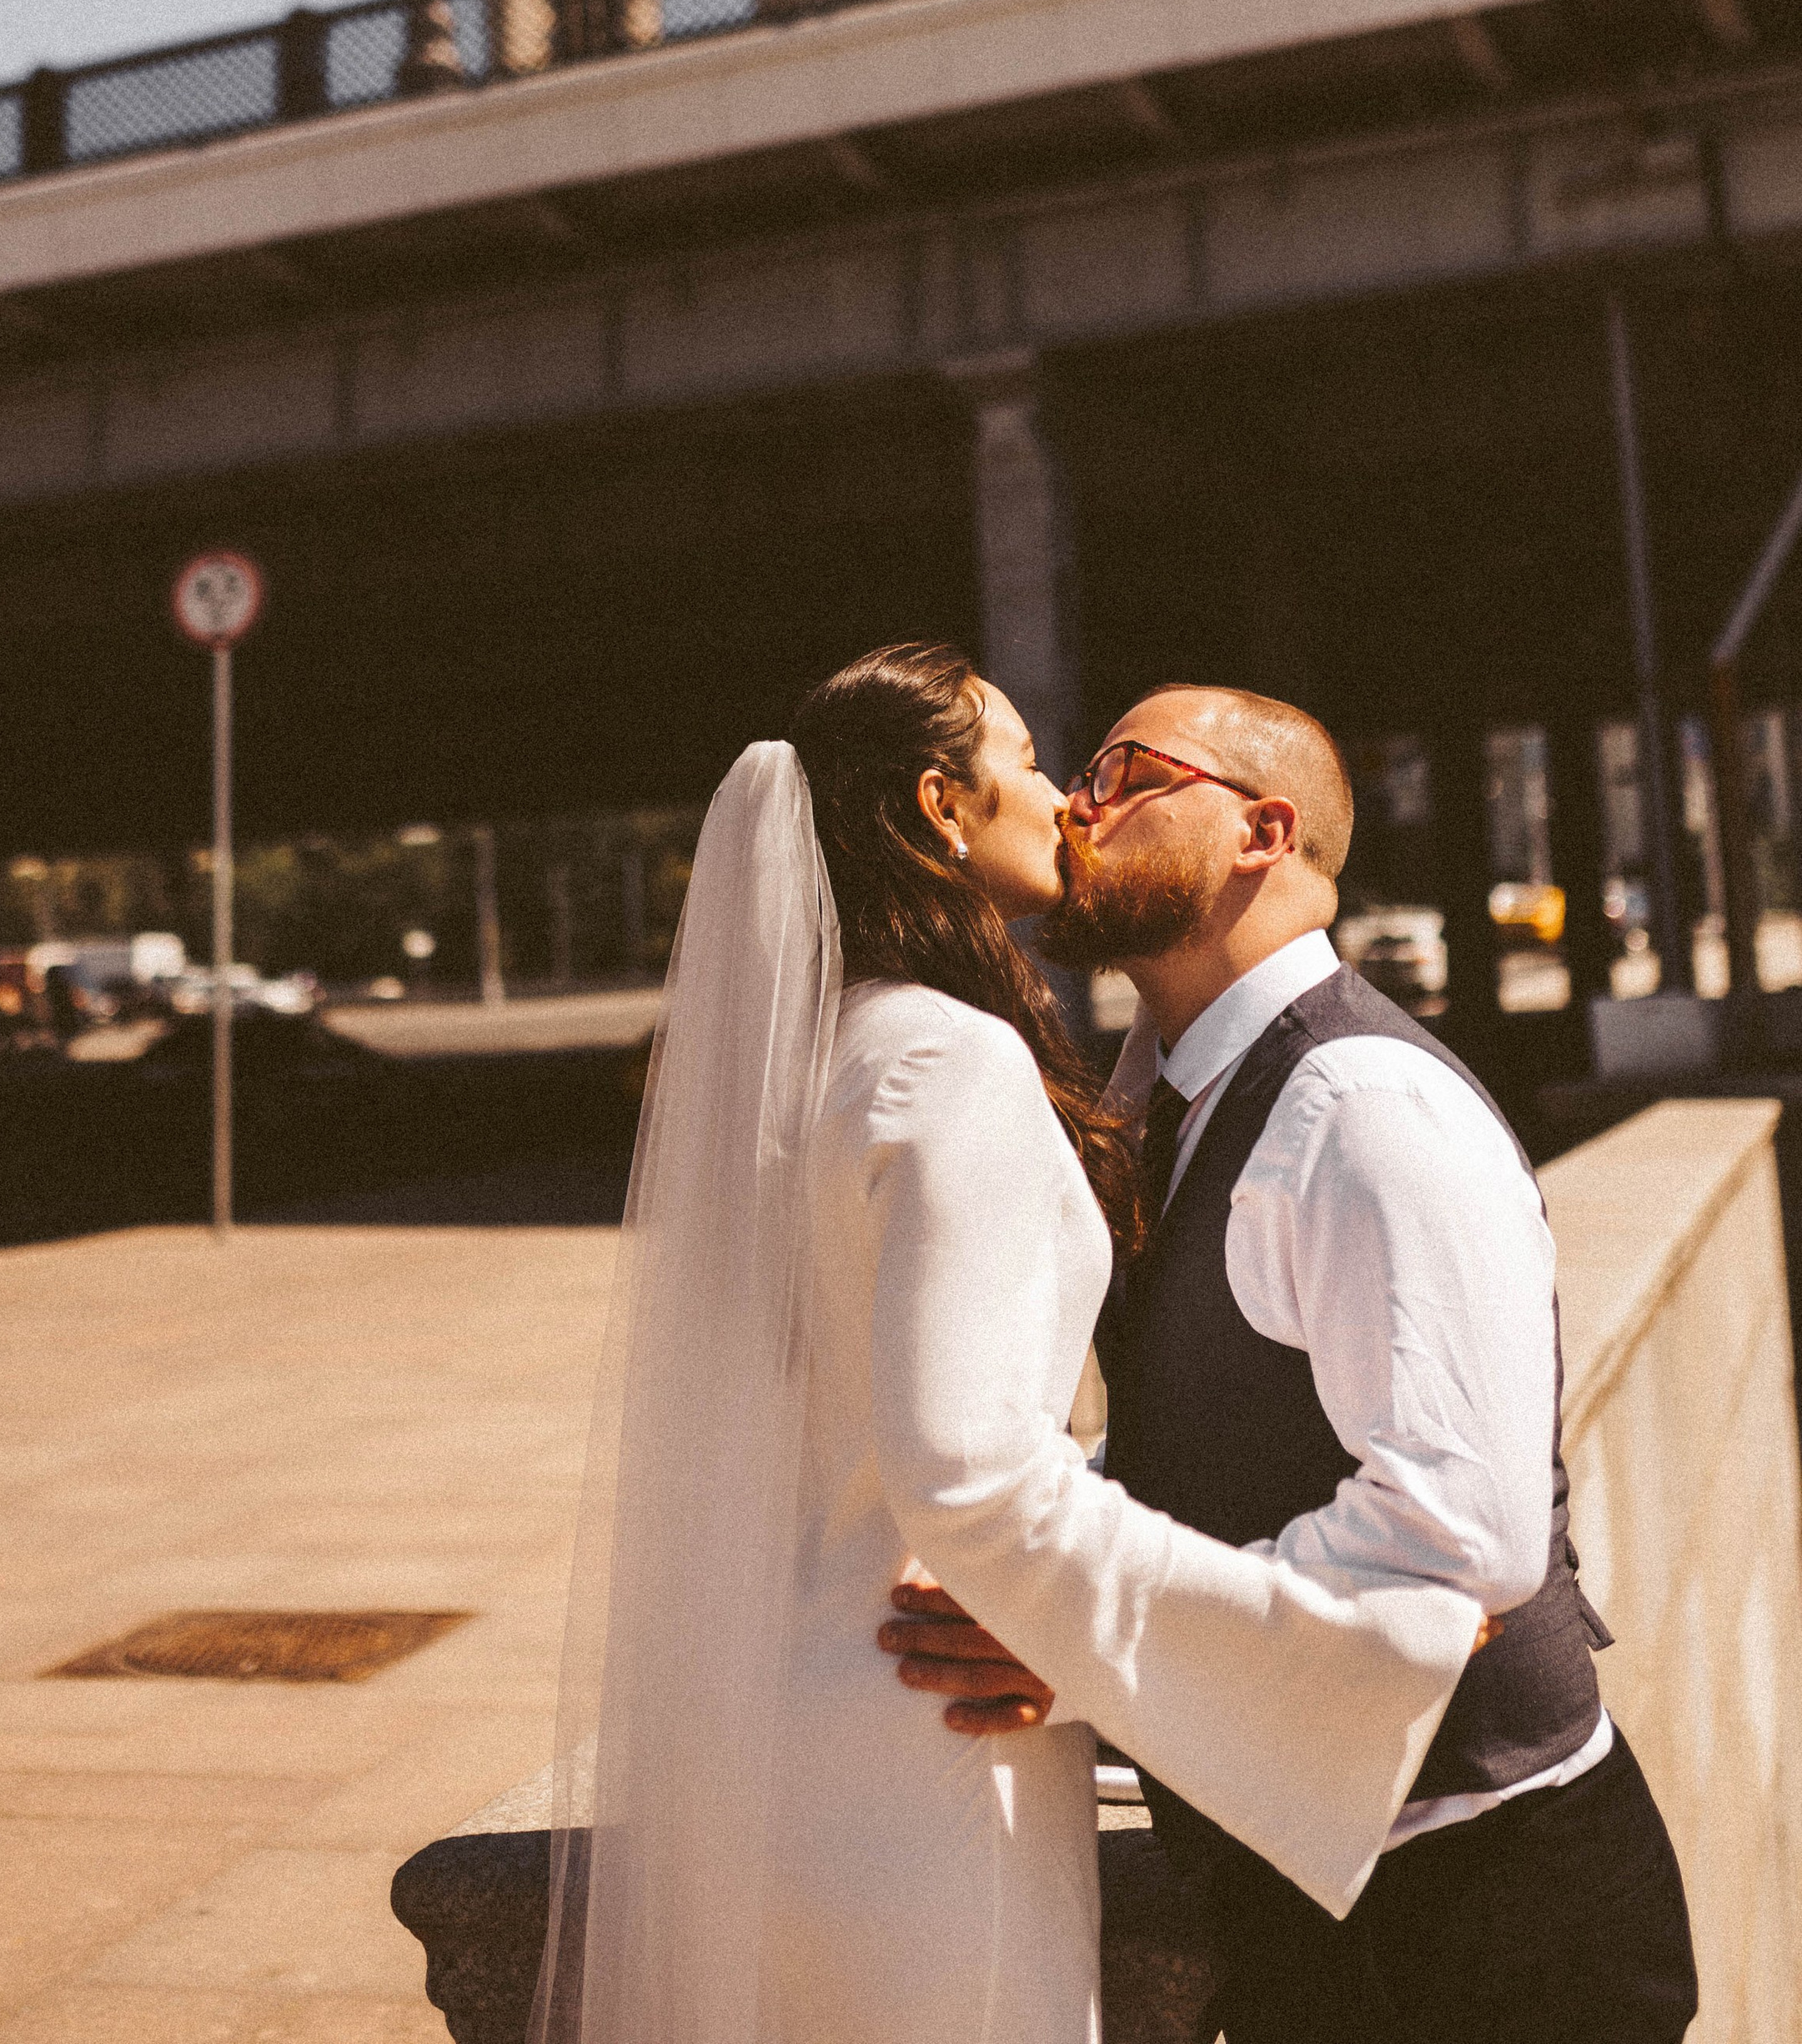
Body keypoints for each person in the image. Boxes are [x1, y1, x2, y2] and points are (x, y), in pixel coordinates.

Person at [531, 646, 1483, 2044]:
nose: (1065, 802)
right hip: (927, 1750)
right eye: (1033, 762)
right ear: (941, 804)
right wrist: (1311, 1648)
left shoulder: (812, 1066)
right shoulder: (950, 1062)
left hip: (767, 1738)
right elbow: (969, 1465)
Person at [884, 680, 1699, 2044]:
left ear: (1262, 828)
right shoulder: (1170, 1083)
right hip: (1315, 1888)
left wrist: (1090, 1642)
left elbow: (1463, 1532)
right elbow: (1219, 1429)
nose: (1079, 805)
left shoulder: (1364, 1106)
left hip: (1485, 1920)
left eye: (1126, 772)